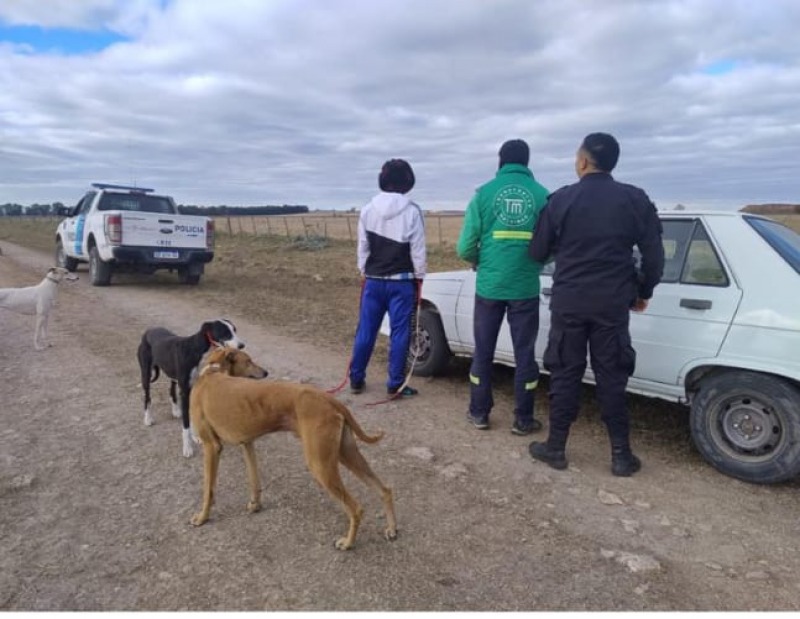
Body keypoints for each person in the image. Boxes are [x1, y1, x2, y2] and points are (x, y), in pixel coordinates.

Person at [528, 132, 664, 476]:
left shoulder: (561, 200)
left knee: (565, 371)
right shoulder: (635, 199)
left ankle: (556, 447)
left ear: (584, 161)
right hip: (613, 305)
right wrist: (643, 290)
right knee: (612, 375)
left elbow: (537, 252)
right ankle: (621, 456)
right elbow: (654, 255)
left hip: (570, 302)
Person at [456, 139, 550, 435]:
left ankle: (479, 413)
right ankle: (523, 420)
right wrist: (535, 264)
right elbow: (551, 245)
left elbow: (465, 246)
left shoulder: (483, 194)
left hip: (489, 287)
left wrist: (478, 261)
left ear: (501, 160)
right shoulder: (543, 196)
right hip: (525, 288)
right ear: (527, 162)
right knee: (525, 354)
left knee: (483, 351)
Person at [349, 158, 427, 397]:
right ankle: (395, 384)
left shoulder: (367, 209)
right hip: (402, 282)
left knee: (366, 330)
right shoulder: (413, 211)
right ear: (407, 182)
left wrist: (364, 270)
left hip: (373, 281)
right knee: (400, 332)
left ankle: (356, 379)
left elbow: (363, 246)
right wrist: (420, 275)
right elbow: (418, 249)